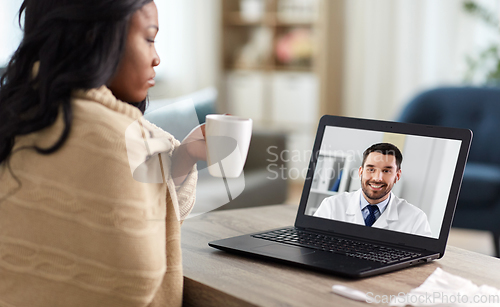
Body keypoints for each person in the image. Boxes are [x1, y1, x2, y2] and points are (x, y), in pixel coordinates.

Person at [0, 1, 206, 306]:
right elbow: (132, 272)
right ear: (97, 38)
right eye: (149, 38)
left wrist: (186, 155)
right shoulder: (121, 141)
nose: (157, 58)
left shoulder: (16, 117)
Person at [314, 143, 432, 237]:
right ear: (360, 172)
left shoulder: (416, 218)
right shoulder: (331, 205)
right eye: (371, 169)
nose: (377, 178)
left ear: (397, 176)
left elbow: (424, 262)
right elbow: (314, 243)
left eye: (386, 171)